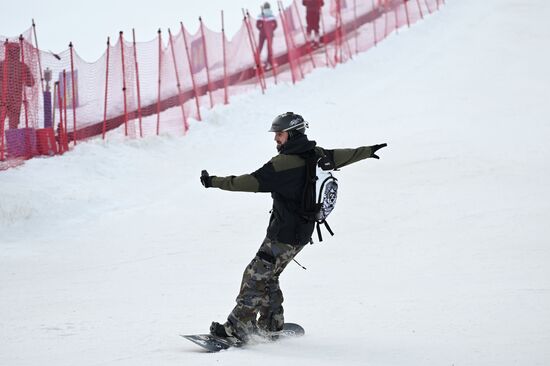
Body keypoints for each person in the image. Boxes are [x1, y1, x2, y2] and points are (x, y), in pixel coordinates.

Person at [200, 112, 387, 342]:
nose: (276, 139)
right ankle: (270, 324)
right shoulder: (316, 155)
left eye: (279, 134)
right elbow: (342, 156)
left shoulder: (282, 164)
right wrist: (367, 151)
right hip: (301, 233)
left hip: (283, 235)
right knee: (269, 275)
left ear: (293, 133)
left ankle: (236, 327)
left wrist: (213, 181)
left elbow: (247, 182)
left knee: (255, 276)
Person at [0, 41, 35, 130]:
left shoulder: (1, 65)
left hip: (3, 99)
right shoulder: (22, 66)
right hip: (15, 101)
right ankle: (12, 143)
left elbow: (31, 83)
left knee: (3, 123)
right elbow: (30, 83)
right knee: (13, 126)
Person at [256, 2, 278, 69]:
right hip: (269, 34)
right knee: (269, 48)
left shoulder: (260, 15)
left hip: (262, 34)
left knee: (260, 47)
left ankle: (256, 61)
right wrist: (271, 30)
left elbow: (257, 25)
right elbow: (276, 25)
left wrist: (261, 29)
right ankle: (269, 62)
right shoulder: (272, 15)